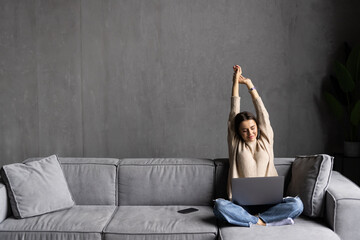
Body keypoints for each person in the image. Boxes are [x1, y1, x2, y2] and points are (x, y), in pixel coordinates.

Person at [213, 65, 303, 227]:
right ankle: (262, 220)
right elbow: (234, 112)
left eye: (253, 128)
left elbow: (262, 113)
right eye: (245, 130)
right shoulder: (235, 144)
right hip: (243, 206)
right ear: (238, 132)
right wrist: (234, 82)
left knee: (297, 204)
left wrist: (249, 84)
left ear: (258, 127)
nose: (250, 133)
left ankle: (257, 220)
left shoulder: (266, 141)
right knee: (220, 206)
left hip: (270, 203)